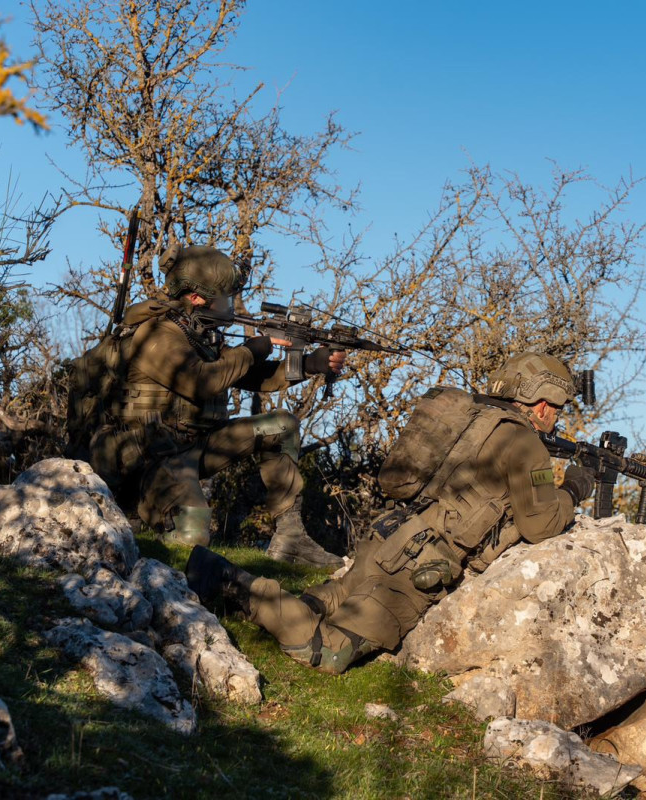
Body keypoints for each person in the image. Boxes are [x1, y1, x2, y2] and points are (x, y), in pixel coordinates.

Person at [186, 352, 596, 673]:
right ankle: (230, 581)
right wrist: (574, 489)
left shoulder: (475, 417)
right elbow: (541, 524)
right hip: (417, 564)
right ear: (541, 404)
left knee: (329, 599)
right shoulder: (525, 443)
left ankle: (246, 591)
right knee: (328, 652)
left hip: (389, 537)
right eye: (556, 409)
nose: (555, 418)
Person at [89, 244, 344, 567]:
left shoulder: (200, 334)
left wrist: (310, 364)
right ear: (196, 297)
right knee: (194, 536)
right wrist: (255, 348)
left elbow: (251, 377)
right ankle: (162, 572)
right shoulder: (156, 335)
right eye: (223, 296)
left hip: (192, 447)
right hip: (151, 459)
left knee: (281, 426)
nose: (229, 304)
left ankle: (291, 541)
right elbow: (201, 382)